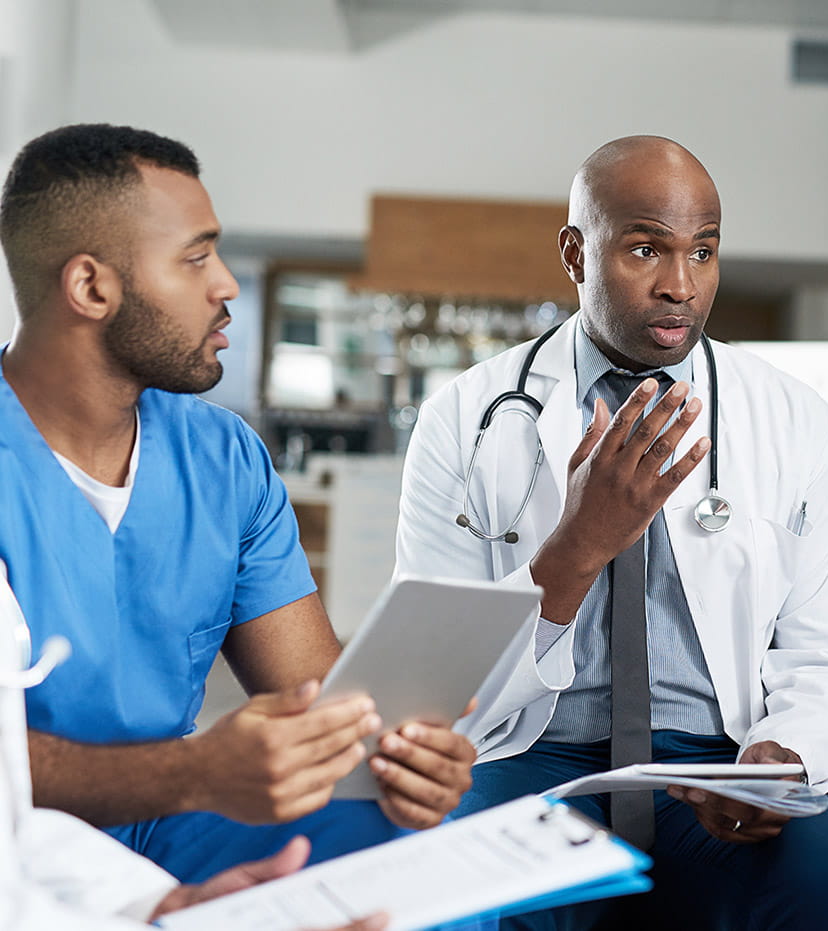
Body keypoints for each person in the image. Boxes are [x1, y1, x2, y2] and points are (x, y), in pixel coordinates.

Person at [395, 135, 828, 930]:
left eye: (703, 251)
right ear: (575, 253)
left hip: (717, 761)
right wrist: (578, 546)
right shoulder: (464, 417)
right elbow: (430, 676)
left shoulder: (797, 422)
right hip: (528, 758)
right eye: (644, 249)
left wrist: (785, 756)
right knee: (452, 902)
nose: (680, 284)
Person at [0, 124, 477, 887]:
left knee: (418, 840)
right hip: (20, 839)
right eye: (196, 258)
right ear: (90, 287)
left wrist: (399, 758)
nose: (226, 285)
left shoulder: (223, 458)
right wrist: (192, 771)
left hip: (166, 820)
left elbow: (316, 700)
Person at [0, 560, 387, 931]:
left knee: (381, 812)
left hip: (96, 847)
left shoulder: (237, 513)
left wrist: (160, 905)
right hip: (85, 820)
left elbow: (13, 820)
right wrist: (195, 771)